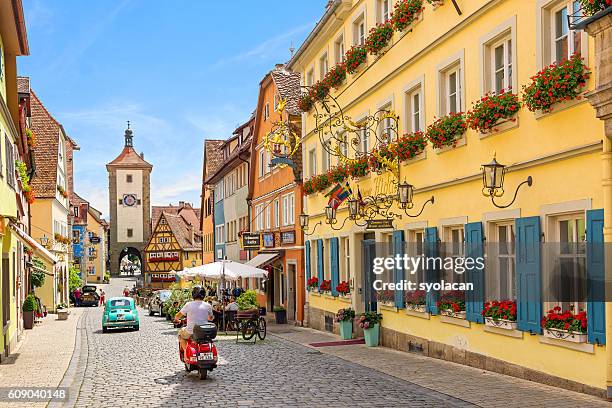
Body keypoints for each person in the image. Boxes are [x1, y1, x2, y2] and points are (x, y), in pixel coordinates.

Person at [174, 286, 213, 352]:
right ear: (204, 294)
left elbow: (177, 316)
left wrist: (177, 320)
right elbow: (211, 318)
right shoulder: (208, 305)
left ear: (193, 294)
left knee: (180, 335)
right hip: (204, 332)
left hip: (190, 332)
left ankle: (187, 351)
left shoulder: (188, 305)